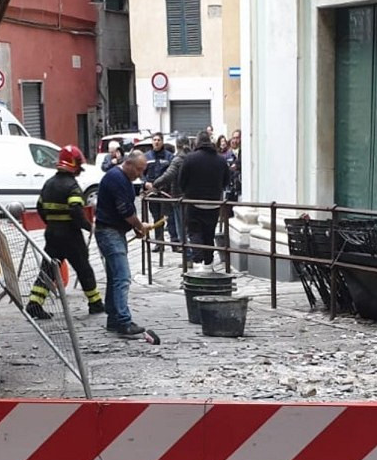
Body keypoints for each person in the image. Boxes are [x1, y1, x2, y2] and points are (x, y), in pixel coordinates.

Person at [25, 145, 104, 320]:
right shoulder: (72, 186)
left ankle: (34, 303)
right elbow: (76, 210)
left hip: (52, 234)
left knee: (48, 269)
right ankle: (95, 303)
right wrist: (87, 226)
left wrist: (51, 223)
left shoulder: (49, 184)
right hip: (71, 236)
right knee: (83, 268)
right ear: (74, 164)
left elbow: (40, 207)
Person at [95, 149, 162, 338]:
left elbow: (125, 208)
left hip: (111, 230)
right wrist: (139, 226)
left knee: (114, 276)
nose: (139, 174)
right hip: (110, 232)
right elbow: (125, 210)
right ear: (129, 164)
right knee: (122, 277)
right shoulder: (117, 178)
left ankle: (114, 319)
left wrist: (136, 228)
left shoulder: (118, 177)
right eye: (139, 170)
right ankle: (123, 322)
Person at [149, 131, 229, 265]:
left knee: (194, 232)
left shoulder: (190, 159)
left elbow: (182, 181)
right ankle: (208, 264)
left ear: (197, 142)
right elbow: (226, 181)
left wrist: (188, 192)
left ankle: (197, 261)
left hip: (194, 202)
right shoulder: (220, 159)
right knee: (209, 234)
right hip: (214, 203)